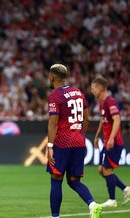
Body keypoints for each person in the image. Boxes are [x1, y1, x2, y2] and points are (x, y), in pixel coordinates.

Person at [46, 64, 102, 218]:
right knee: (73, 180)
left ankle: (55, 216)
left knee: (56, 179)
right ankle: (93, 204)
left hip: (62, 142)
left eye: (49, 75)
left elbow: (53, 122)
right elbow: (86, 118)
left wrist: (50, 146)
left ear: (53, 77)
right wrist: (79, 134)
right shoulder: (78, 92)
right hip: (78, 141)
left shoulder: (55, 96)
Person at [91, 77, 130, 207]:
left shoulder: (110, 102)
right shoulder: (102, 103)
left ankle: (112, 200)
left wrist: (112, 138)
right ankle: (126, 189)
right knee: (101, 170)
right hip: (107, 141)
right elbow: (103, 122)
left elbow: (117, 120)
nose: (91, 90)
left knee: (106, 170)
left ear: (100, 88)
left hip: (114, 142)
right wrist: (97, 136)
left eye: (93, 88)